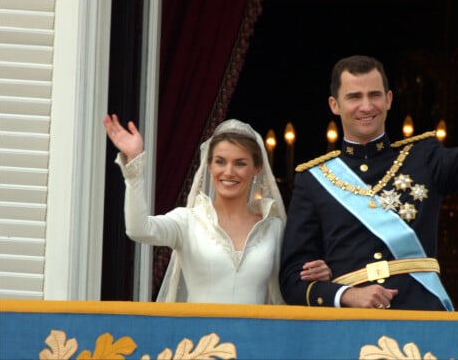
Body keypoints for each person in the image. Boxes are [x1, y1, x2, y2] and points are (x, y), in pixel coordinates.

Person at [279, 21, 458, 311]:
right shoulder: (314, 179)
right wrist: (345, 295)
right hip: (349, 327)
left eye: (374, 95)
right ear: (334, 105)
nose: (366, 106)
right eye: (354, 97)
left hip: (421, 316)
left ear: (389, 99)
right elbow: (293, 280)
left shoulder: (424, 157)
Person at [103, 117, 331, 304]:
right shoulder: (187, 221)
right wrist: (134, 170)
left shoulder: (274, 227)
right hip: (199, 345)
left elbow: (293, 280)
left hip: (256, 346)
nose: (229, 172)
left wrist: (320, 273)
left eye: (240, 163)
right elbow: (138, 229)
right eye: (220, 162)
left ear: (257, 168)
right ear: (209, 165)